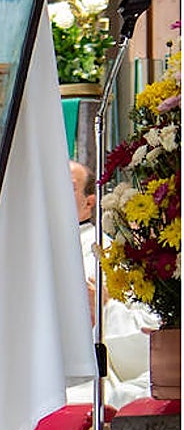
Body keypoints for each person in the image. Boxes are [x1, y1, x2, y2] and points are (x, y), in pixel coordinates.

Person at [66, 159, 156, 407]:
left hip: (79, 385)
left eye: (68, 186)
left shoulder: (107, 256)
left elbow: (144, 345)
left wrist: (105, 308)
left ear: (89, 202)